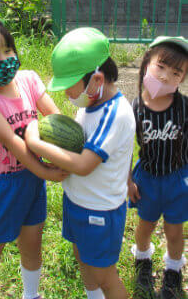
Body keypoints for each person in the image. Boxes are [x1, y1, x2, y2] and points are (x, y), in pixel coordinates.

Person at [0, 15, 68, 298]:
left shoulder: (29, 80)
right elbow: (11, 141)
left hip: (32, 183)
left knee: (32, 245)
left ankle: (31, 295)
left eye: (7, 50)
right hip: (2, 187)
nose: (4, 59)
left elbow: (55, 119)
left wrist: (63, 154)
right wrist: (46, 171)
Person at [24, 27, 136, 299]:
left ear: (96, 80)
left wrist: (35, 141)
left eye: (69, 88)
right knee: (83, 259)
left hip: (100, 210)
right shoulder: (90, 104)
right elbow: (114, 150)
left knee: (105, 277)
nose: (66, 95)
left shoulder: (115, 114)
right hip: (78, 202)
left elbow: (85, 164)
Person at [127, 36, 187, 299]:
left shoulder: (184, 107)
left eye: (176, 73)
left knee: (175, 229)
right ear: (146, 63)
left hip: (178, 178)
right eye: (160, 67)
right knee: (146, 225)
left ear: (182, 78)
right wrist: (128, 180)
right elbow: (125, 147)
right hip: (147, 178)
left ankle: (173, 268)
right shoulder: (134, 107)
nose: (165, 77)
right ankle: (142, 258)